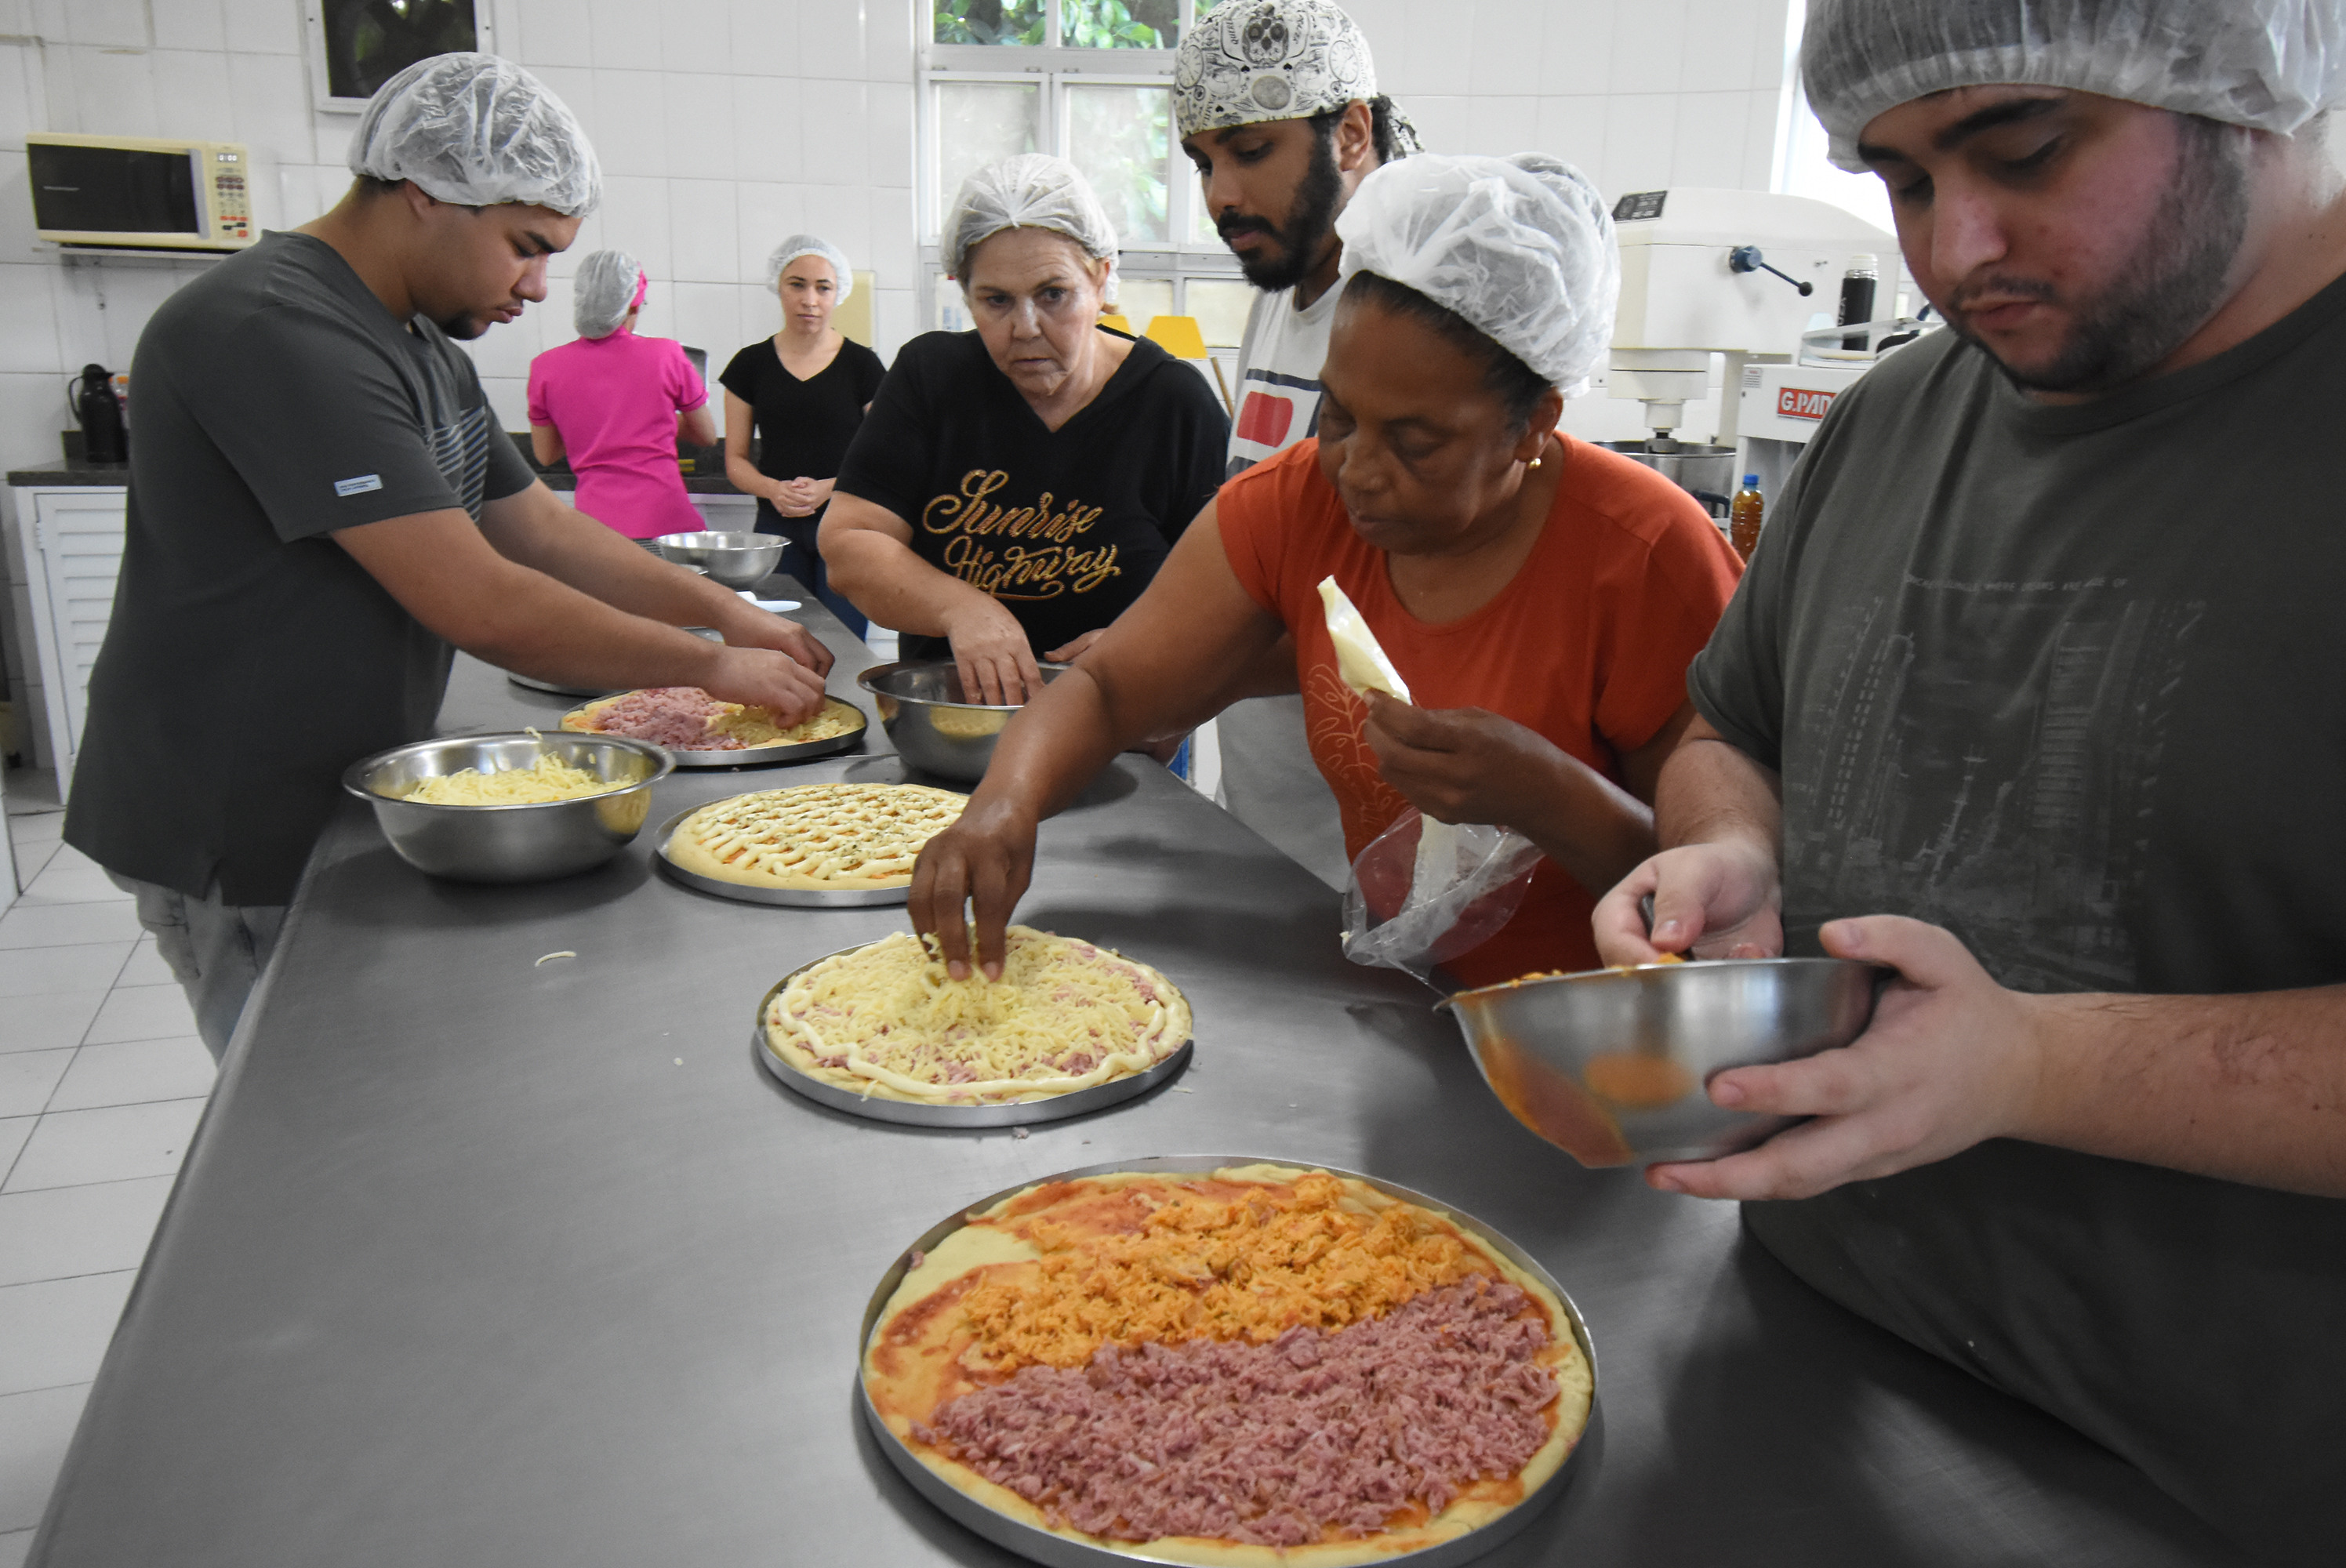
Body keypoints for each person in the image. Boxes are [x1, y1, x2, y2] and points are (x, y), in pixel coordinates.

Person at [1589, 3, 2346, 1560]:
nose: (1951, 248)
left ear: (2248, 79)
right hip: (1801, 1368)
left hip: (2197, 1484)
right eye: (1899, 178)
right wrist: (1733, 847)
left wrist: (2024, 1068)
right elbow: (1730, 732)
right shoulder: (1890, 423)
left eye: (2020, 150)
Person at [60, 53, 833, 1060]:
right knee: (306, 1113)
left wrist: (734, 611)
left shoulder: (423, 347)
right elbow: (485, 600)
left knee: (376, 1080)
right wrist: (713, 663)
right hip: (238, 811)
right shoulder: (268, 328)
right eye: (524, 246)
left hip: (333, 786)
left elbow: (542, 531)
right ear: (426, 194)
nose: (539, 285)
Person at [910, 153, 1741, 993]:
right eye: (1339, 415)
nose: (1357, 469)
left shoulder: (1643, 555)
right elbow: (1111, 690)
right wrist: (1004, 806)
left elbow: (1723, 890)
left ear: (1534, 424)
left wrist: (1549, 793)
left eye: (1415, 443)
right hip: (1403, 1005)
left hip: (1595, 1025)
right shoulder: (1298, 501)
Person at [823, 154, 1229, 704]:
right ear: (964, 293)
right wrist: (962, 607)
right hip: (955, 719)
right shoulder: (932, 379)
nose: (1025, 328)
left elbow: (1230, 591)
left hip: (1122, 714)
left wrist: (1153, 647)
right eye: (996, 301)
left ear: (1102, 278)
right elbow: (850, 545)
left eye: (1053, 294)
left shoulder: (1173, 404)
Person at [1173, 0, 1418, 886]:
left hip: (1382, 854)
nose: (1219, 195)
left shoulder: (1409, 304)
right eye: (1203, 161)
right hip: (1270, 820)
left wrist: (1174, 672)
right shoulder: (1280, 280)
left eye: (1248, 151)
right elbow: (1269, 538)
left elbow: (1391, 609)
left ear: (1351, 132)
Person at [720, 234, 886, 633]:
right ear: (779, 286)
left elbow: (883, 454)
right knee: (780, 642)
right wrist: (773, 489)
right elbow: (736, 460)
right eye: (797, 284)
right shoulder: (750, 365)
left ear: (837, 293)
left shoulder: (863, 365)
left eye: (823, 288)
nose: (810, 299)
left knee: (843, 643)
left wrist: (831, 487)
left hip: (846, 525)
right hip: (776, 532)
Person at [525, 249, 714, 539]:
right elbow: (706, 436)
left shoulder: (545, 368)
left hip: (597, 534)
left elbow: (546, 454)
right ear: (635, 305)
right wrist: (654, 421)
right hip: (668, 527)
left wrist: (596, 427)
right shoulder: (667, 355)